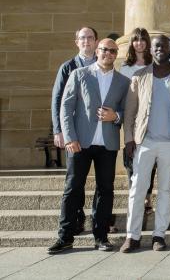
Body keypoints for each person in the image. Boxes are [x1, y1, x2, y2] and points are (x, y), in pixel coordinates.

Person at [47, 39, 130, 254]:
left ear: (116, 54)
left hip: (108, 144)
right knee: (73, 188)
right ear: (97, 50)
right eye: (104, 50)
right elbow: (66, 107)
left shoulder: (123, 81)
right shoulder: (79, 74)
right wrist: (69, 137)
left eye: (112, 51)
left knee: (106, 190)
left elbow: (128, 112)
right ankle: (65, 236)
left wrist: (116, 116)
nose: (108, 54)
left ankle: (101, 237)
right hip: (79, 143)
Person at [121, 35, 170, 252]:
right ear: (151, 50)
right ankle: (132, 236)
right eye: (156, 46)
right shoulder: (139, 76)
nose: (160, 49)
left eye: (164, 45)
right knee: (137, 189)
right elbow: (130, 112)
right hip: (145, 142)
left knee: (164, 191)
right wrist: (129, 140)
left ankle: (159, 235)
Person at [50, 27, 99, 235]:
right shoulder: (67, 67)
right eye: (82, 38)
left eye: (90, 38)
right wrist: (59, 130)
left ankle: (100, 222)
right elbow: (58, 100)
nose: (86, 41)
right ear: (76, 42)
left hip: (99, 135)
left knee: (103, 184)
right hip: (74, 135)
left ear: (96, 41)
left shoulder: (103, 65)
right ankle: (73, 221)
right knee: (74, 181)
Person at [119, 28, 156, 213]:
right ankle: (135, 193)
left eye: (143, 40)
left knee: (151, 158)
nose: (139, 43)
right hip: (132, 118)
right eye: (136, 40)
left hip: (152, 118)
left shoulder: (154, 65)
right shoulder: (125, 68)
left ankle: (147, 197)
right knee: (131, 156)